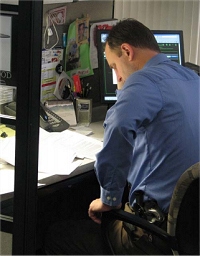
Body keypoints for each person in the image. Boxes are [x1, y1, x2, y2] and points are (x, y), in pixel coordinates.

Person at [44, 18, 199, 255]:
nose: (117, 77)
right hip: (191, 231)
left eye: (114, 66)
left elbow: (118, 128)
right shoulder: (192, 78)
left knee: (57, 234)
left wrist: (109, 199)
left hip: (151, 236)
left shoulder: (143, 80)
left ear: (127, 51)